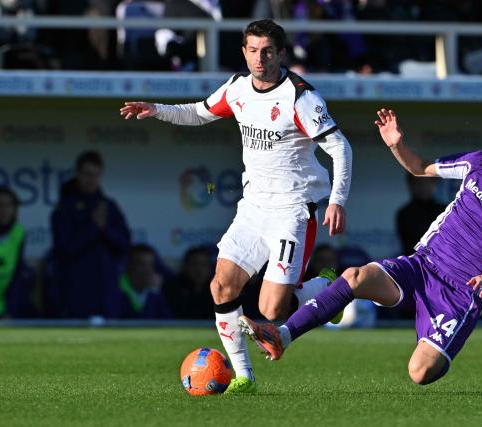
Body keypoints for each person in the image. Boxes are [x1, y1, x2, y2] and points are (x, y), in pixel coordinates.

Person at [239, 108, 482, 386]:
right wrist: (395, 144)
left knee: (420, 373)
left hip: (461, 291)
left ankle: (439, 338)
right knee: (355, 277)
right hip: (424, 265)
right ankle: (281, 336)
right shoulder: (480, 163)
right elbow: (419, 167)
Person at [119, 18, 352, 393]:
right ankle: (244, 377)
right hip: (253, 208)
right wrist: (156, 108)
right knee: (222, 286)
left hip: (292, 211)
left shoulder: (301, 97)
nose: (260, 59)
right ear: (244, 51)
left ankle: (326, 290)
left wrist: (337, 199)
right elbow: (198, 112)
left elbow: (340, 147)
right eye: (253, 50)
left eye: (268, 51)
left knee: (273, 311)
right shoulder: (238, 88)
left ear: (281, 54)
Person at [50, 150, 131, 319]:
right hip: (75, 290)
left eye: (96, 175)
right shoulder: (65, 207)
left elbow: (125, 244)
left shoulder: (109, 206)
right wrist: (93, 227)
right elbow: (64, 249)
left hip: (106, 290)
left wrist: (105, 229)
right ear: (77, 173)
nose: (91, 179)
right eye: (87, 174)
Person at [0, 186, 37, 318]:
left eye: (8, 205)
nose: (4, 210)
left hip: (5, 300)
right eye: (0, 205)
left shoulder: (18, 232)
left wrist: (10, 310)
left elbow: (17, 272)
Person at [395, 173, 446, 255]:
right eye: (418, 182)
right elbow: (410, 244)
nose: (423, 186)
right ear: (410, 185)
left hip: (441, 260)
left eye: (426, 182)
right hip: (415, 262)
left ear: (434, 183)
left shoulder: (445, 211)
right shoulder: (404, 214)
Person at [117, 244, 171, 319]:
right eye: (142, 264)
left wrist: (154, 292)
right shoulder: (118, 288)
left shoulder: (154, 287)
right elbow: (140, 323)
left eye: (150, 265)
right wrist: (153, 294)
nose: (148, 270)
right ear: (129, 265)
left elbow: (167, 320)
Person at [162, 246, 216, 319]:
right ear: (185, 266)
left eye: (204, 265)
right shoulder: (171, 288)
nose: (199, 270)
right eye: (194, 264)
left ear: (210, 268)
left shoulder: (218, 288)